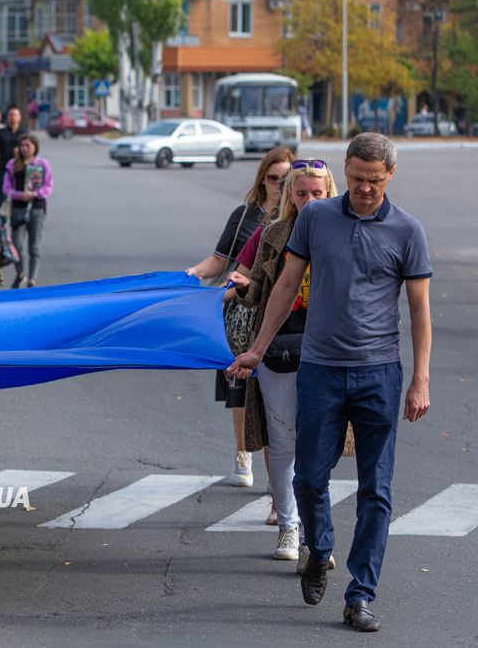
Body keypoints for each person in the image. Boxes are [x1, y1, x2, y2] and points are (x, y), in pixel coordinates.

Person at [229, 134, 432, 632]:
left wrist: (420, 379)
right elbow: (282, 284)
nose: (364, 189)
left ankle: (361, 594)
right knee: (308, 479)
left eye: (375, 181)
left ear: (390, 176)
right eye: (358, 178)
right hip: (319, 369)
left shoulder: (408, 230)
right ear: (347, 170)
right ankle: (319, 551)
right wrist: (257, 347)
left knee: (376, 490)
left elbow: (420, 309)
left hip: (379, 373)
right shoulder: (317, 219)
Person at [229, 160, 337, 563]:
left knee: (317, 443)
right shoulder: (272, 233)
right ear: (290, 195)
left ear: (329, 193)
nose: (310, 200)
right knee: (282, 440)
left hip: (328, 351)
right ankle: (290, 527)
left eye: (318, 193)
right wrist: (244, 287)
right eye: (302, 192)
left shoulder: (341, 231)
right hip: (278, 349)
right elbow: (257, 291)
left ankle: (314, 529)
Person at [185, 146, 295, 488]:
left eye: (284, 179)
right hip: (238, 314)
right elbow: (221, 262)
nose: (278, 184)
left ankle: (280, 485)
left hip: (278, 317)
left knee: (273, 395)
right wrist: (192, 276)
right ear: (262, 179)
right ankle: (243, 452)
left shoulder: (299, 219)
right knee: (242, 389)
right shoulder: (246, 217)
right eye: (273, 177)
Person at [2, 133, 54, 288]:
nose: (25, 149)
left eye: (28, 146)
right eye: (22, 146)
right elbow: (6, 188)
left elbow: (48, 185)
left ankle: (32, 279)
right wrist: (19, 195)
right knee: (16, 245)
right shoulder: (12, 164)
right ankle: (20, 273)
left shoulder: (42, 164)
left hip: (37, 208)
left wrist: (36, 194)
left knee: (34, 246)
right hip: (18, 208)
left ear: (35, 147)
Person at [0, 107, 26, 213]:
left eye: (15, 115)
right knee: (0, 197)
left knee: (20, 195)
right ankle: (0, 224)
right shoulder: (1, 132)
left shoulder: (24, 133)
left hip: (20, 170)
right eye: (10, 115)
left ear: (19, 118)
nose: (12, 117)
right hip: (4, 169)